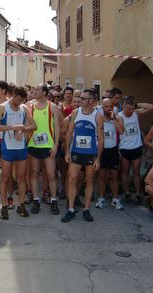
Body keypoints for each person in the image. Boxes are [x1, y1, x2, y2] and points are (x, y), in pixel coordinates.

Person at [0, 86, 36, 219]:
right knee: (5, 177)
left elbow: (34, 126)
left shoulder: (24, 108)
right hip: (7, 146)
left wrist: (23, 129)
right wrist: (12, 127)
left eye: (23, 100)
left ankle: (21, 204)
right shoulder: (3, 107)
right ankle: (4, 206)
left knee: (21, 177)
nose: (20, 103)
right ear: (15, 96)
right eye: (19, 100)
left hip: (21, 146)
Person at [61, 88, 104, 223]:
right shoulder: (75, 113)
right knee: (72, 179)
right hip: (76, 152)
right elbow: (69, 133)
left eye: (83, 98)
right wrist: (67, 151)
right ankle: (71, 209)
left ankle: (86, 209)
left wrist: (98, 158)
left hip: (90, 153)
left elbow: (101, 138)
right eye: (80, 98)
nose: (80, 100)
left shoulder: (98, 116)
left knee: (89, 181)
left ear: (91, 101)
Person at [27, 84, 61, 215]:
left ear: (45, 93)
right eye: (34, 89)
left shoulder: (52, 106)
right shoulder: (30, 106)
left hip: (48, 145)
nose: (35, 91)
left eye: (37, 89)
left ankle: (54, 201)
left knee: (51, 174)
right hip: (33, 144)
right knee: (34, 173)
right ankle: (36, 200)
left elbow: (56, 126)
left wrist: (56, 144)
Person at [118, 96, 153, 203]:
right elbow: (119, 131)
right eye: (128, 109)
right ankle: (127, 192)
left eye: (132, 108)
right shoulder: (119, 116)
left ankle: (138, 194)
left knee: (136, 172)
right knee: (125, 172)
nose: (130, 111)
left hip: (136, 147)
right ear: (123, 106)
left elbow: (150, 107)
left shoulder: (135, 113)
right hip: (124, 147)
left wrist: (136, 104)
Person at [96, 97, 125, 210]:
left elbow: (122, 131)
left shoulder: (117, 117)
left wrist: (113, 119)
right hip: (102, 150)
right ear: (102, 107)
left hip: (113, 150)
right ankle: (101, 198)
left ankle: (115, 199)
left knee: (114, 176)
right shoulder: (98, 117)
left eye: (110, 106)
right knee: (101, 176)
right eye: (106, 107)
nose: (108, 109)